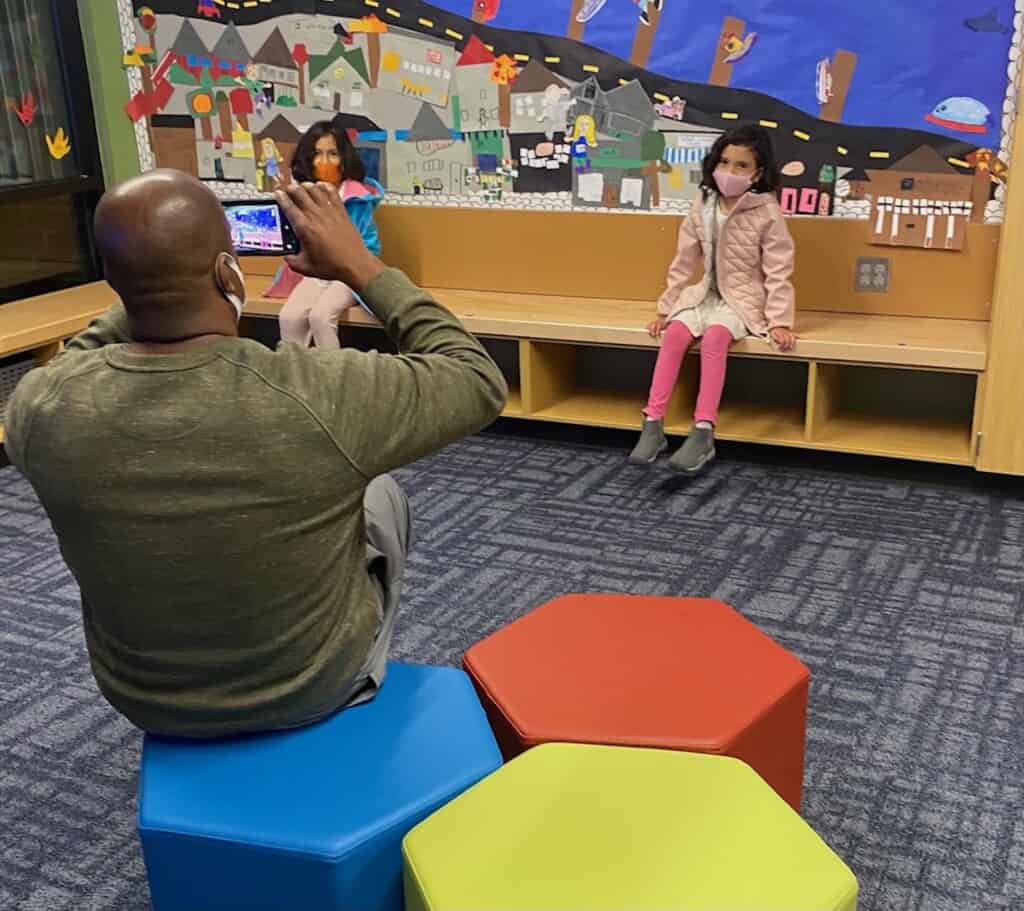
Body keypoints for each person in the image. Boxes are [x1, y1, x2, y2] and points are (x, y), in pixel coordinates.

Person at [3, 170, 507, 738]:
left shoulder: (38, 407)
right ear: (227, 270)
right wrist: (362, 266)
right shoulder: (320, 393)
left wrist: (149, 276)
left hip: (143, 699)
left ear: (112, 281)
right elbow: (476, 378)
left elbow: (83, 354)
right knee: (378, 490)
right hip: (312, 689)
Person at [629, 125, 796, 474]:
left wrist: (779, 320)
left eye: (741, 166)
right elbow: (684, 259)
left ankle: (703, 430)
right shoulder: (702, 203)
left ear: (758, 172)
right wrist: (666, 307)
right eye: (724, 162)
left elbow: (778, 269)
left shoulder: (766, 212)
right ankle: (653, 422)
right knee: (674, 335)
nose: (730, 172)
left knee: (716, 339)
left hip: (742, 299)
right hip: (703, 293)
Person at [277, 121, 384, 349]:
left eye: (333, 154)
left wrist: (349, 263)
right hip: (317, 273)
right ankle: (295, 377)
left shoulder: (357, 198)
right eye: (317, 154)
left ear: (344, 159)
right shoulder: (306, 194)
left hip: (350, 274)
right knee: (289, 317)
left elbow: (370, 247)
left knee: (321, 317)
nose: (324, 162)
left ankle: (335, 380)